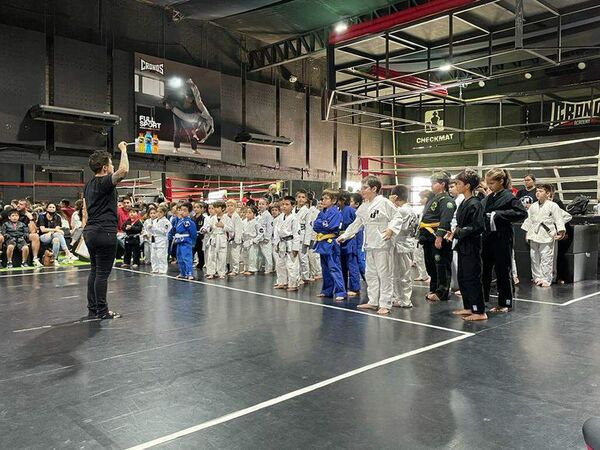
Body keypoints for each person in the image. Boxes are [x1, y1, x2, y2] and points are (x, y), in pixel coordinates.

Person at [82, 141, 129, 319]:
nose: (113, 166)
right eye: (110, 164)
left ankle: (93, 308)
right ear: (104, 168)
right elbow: (124, 171)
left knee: (95, 271)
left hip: (91, 231)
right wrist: (123, 150)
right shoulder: (103, 182)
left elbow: (85, 210)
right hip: (104, 232)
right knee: (102, 274)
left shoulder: (88, 185)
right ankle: (102, 311)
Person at [338, 176, 398, 315]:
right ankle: (373, 301)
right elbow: (357, 223)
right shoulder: (364, 206)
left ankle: (385, 303)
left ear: (374, 188)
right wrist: (345, 236)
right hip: (369, 244)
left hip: (383, 243)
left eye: (365, 188)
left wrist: (391, 229)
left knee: (384, 274)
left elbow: (397, 217)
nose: (362, 191)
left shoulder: (384, 202)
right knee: (370, 274)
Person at [481, 168, 527, 313]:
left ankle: (505, 302)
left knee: (502, 271)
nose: (489, 186)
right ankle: (482, 298)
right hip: (488, 238)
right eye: (487, 183)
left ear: (501, 181)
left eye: (492, 183)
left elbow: (521, 213)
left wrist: (498, 215)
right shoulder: (489, 197)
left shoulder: (508, 196)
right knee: (485, 270)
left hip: (502, 238)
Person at [446, 170, 487, 321]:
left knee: (472, 278)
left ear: (468, 185)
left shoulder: (475, 203)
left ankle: (479, 311)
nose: (455, 186)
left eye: (458, 183)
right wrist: (454, 232)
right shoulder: (464, 202)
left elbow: (478, 226)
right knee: (463, 277)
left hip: (472, 245)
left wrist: (459, 231)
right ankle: (469, 307)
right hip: (463, 244)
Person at [521, 184, 570, 288]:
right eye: (537, 191)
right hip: (534, 234)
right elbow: (529, 220)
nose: (537, 193)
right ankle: (537, 277)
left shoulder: (553, 205)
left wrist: (561, 231)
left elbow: (559, 219)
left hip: (547, 235)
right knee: (534, 257)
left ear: (548, 193)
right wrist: (526, 232)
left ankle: (546, 279)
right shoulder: (533, 206)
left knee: (546, 258)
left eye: (540, 191)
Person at [419, 171, 455, 302]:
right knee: (431, 265)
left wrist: (439, 236)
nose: (432, 186)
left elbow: (445, 219)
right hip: (427, 236)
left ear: (443, 184)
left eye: (434, 183)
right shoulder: (433, 198)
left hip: (437, 235)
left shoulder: (447, 200)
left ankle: (442, 292)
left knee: (441, 265)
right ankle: (434, 288)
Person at [388, 185, 418, 309]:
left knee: (402, 274)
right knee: (400, 273)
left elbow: (390, 222)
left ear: (395, 197)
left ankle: (404, 300)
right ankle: (400, 298)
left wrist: (390, 203)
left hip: (401, 243)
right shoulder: (410, 209)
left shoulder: (401, 211)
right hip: (406, 242)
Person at [165, 78, 214, 153]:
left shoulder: (205, 129)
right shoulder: (180, 99)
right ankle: (176, 147)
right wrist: (172, 108)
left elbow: (185, 117)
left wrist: (201, 139)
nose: (189, 100)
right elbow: (183, 115)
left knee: (190, 130)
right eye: (188, 98)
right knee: (177, 129)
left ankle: (194, 149)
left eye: (190, 99)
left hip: (190, 115)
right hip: (182, 114)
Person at [313, 189, 346, 301]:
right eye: (322, 198)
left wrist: (322, 224)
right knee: (325, 268)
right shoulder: (321, 212)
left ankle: (340, 291)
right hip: (322, 242)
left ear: (334, 200)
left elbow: (331, 226)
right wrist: (322, 224)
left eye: (326, 198)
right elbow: (315, 226)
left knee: (334, 267)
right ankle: (327, 290)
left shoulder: (336, 213)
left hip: (331, 242)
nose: (323, 200)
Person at [273, 196, 301, 291]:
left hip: (290, 243)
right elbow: (276, 232)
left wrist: (295, 248)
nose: (284, 206)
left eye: (287, 204)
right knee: (280, 264)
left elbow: (297, 234)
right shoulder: (280, 217)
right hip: (281, 243)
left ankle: (293, 284)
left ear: (293, 206)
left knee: (291, 265)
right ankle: (282, 282)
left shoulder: (294, 218)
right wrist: (276, 243)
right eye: (282, 204)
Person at [338, 190, 360, 297]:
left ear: (343, 200)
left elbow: (356, 227)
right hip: (341, 242)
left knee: (352, 266)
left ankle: (355, 288)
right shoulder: (339, 211)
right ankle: (343, 286)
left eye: (338, 200)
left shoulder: (350, 211)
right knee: (342, 266)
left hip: (350, 241)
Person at [202, 201, 232, 279]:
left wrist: (223, 226)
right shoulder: (212, 218)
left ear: (223, 208)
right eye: (214, 207)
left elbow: (231, 228)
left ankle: (221, 272)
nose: (215, 209)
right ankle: (211, 272)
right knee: (211, 255)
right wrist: (209, 228)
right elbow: (208, 227)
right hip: (214, 237)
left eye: (217, 207)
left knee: (222, 256)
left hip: (222, 237)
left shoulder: (227, 218)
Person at [172, 203, 197, 280]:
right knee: (180, 257)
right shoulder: (180, 221)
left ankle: (189, 273)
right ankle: (182, 273)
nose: (182, 212)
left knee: (186, 257)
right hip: (179, 241)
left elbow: (193, 233)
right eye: (181, 210)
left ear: (189, 212)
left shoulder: (189, 222)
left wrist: (192, 242)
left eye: (185, 210)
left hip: (186, 242)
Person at [295, 190, 314, 283]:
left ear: (306, 199)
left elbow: (309, 227)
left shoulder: (307, 211)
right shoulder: (293, 210)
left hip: (302, 236)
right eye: (299, 197)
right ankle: (297, 276)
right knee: (294, 258)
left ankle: (305, 276)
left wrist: (307, 241)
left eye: (303, 197)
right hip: (294, 237)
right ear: (296, 199)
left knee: (303, 258)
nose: (301, 199)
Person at [413, 190, 432, 283]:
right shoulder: (424, 209)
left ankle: (426, 275)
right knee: (418, 256)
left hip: (424, 235)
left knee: (422, 256)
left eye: (422, 198)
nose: (420, 200)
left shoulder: (429, 209)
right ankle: (423, 274)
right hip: (419, 234)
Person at [241, 205, 263, 276]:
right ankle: (246, 268)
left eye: (250, 213)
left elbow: (261, 233)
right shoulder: (243, 221)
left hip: (252, 240)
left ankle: (252, 269)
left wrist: (254, 241)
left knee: (252, 256)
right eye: (246, 212)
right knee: (245, 256)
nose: (247, 214)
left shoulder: (257, 223)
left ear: (254, 214)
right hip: (245, 240)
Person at [150, 206, 172, 274]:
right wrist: (149, 228)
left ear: (164, 213)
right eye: (158, 212)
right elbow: (151, 231)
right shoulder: (154, 221)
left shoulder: (166, 222)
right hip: (154, 239)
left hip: (162, 239)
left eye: (161, 212)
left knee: (161, 256)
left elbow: (165, 231)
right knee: (153, 255)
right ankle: (155, 269)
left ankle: (162, 270)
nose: (158, 213)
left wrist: (154, 228)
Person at [349, 193, 365, 280]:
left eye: (351, 201)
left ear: (357, 204)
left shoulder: (358, 213)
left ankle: (367, 276)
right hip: (353, 237)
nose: (349, 203)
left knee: (359, 258)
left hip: (359, 237)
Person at [226, 199, 243, 276]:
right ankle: (229, 269)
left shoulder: (236, 216)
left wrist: (237, 239)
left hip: (235, 239)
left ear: (235, 207)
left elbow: (238, 229)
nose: (229, 207)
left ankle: (235, 270)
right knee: (228, 255)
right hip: (228, 239)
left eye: (231, 206)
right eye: (228, 206)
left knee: (235, 255)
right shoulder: (226, 216)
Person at [257, 197, 274, 274]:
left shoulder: (268, 215)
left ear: (267, 205)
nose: (260, 205)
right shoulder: (259, 215)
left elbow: (270, 227)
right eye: (259, 204)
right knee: (260, 255)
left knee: (267, 254)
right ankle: (260, 267)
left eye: (263, 204)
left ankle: (269, 268)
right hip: (259, 238)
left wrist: (267, 237)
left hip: (266, 238)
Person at [192, 202, 207, 270]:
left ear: (201, 209)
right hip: (193, 237)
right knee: (192, 251)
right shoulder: (192, 218)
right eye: (195, 207)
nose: (196, 209)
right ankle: (190, 263)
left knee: (200, 252)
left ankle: (200, 264)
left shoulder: (203, 218)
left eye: (198, 207)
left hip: (200, 237)